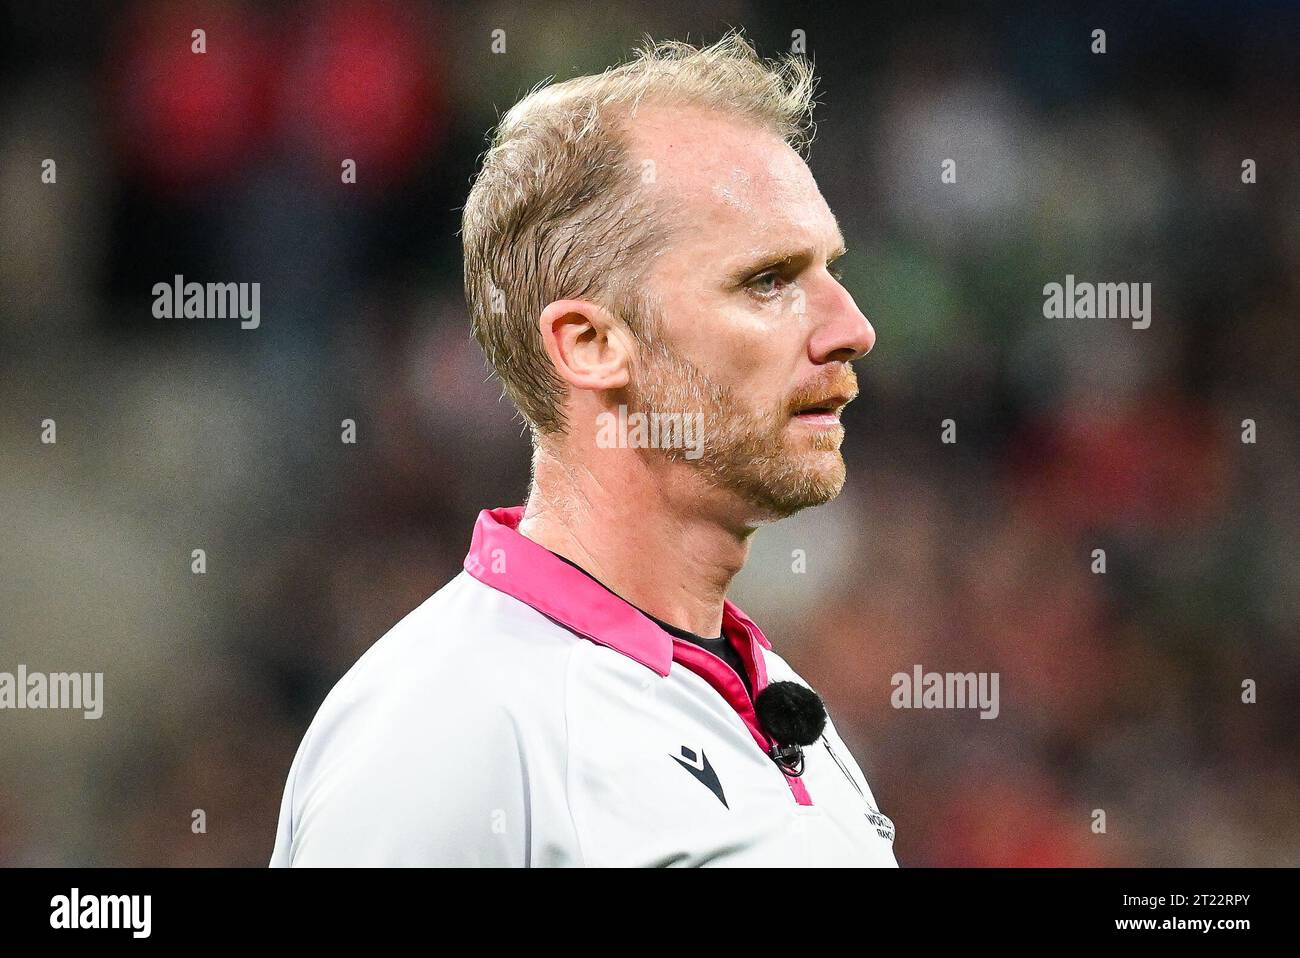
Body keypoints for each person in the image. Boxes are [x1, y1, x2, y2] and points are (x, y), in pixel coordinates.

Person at [271, 31, 894, 867]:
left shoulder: (772, 699)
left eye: (832, 270)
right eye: (769, 281)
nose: (852, 330)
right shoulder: (446, 731)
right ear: (592, 344)